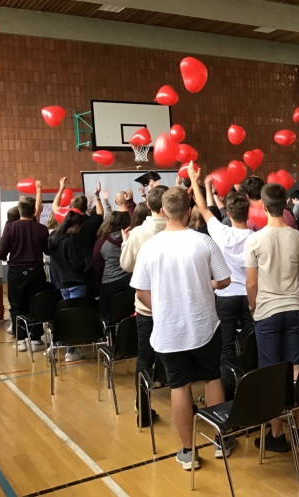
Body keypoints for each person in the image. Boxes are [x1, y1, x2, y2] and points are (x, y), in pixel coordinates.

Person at [131, 187, 234, 470]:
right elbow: (225, 280)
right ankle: (218, 442)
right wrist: (207, 285)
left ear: (163, 212)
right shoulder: (204, 242)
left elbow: (141, 292)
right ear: (188, 210)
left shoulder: (150, 246)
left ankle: (189, 452)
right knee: (212, 379)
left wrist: (163, 307)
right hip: (204, 326)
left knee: (179, 386)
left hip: (168, 330)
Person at [245, 182, 299, 451]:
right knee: (297, 369)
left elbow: (251, 284)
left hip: (267, 311)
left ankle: (276, 435)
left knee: (271, 373)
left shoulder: (255, 240)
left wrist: (252, 307)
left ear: (262, 204)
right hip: (294, 307)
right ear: (286, 204)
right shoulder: (297, 236)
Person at [187, 166, 255, 402]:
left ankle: (226, 393)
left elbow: (203, 207)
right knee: (251, 344)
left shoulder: (220, 232)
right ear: (249, 211)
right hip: (249, 296)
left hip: (225, 296)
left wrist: (196, 181)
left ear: (228, 212)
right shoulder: (256, 238)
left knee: (226, 348)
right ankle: (253, 387)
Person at [120, 185, 168, 427]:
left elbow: (126, 265)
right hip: (173, 305)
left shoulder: (138, 233)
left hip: (147, 307)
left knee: (145, 357)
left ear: (148, 205)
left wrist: (125, 243)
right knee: (176, 357)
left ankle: (143, 408)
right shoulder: (180, 229)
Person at [0, 196, 49, 351]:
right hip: (36, 272)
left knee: (17, 306)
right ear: (34, 210)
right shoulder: (41, 229)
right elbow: (47, 250)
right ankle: (35, 339)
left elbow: (1, 253)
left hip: (16, 272)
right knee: (36, 304)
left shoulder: (10, 227)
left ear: (19, 210)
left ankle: (20, 339)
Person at [48, 210, 88, 361]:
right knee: (75, 317)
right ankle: (70, 351)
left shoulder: (53, 238)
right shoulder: (69, 241)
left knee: (66, 314)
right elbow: (76, 264)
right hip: (75, 282)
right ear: (75, 225)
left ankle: (55, 346)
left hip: (61, 282)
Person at [53, 178, 104, 287]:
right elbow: (100, 213)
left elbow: (55, 208)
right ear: (86, 207)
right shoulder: (92, 221)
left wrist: (61, 188)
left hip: (71, 262)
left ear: (71, 207)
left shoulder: (68, 221)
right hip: (90, 263)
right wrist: (97, 196)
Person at [93, 211, 132, 321]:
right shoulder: (130, 238)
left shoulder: (101, 242)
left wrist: (96, 288)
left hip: (109, 284)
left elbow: (97, 267)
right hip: (129, 281)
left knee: (107, 318)